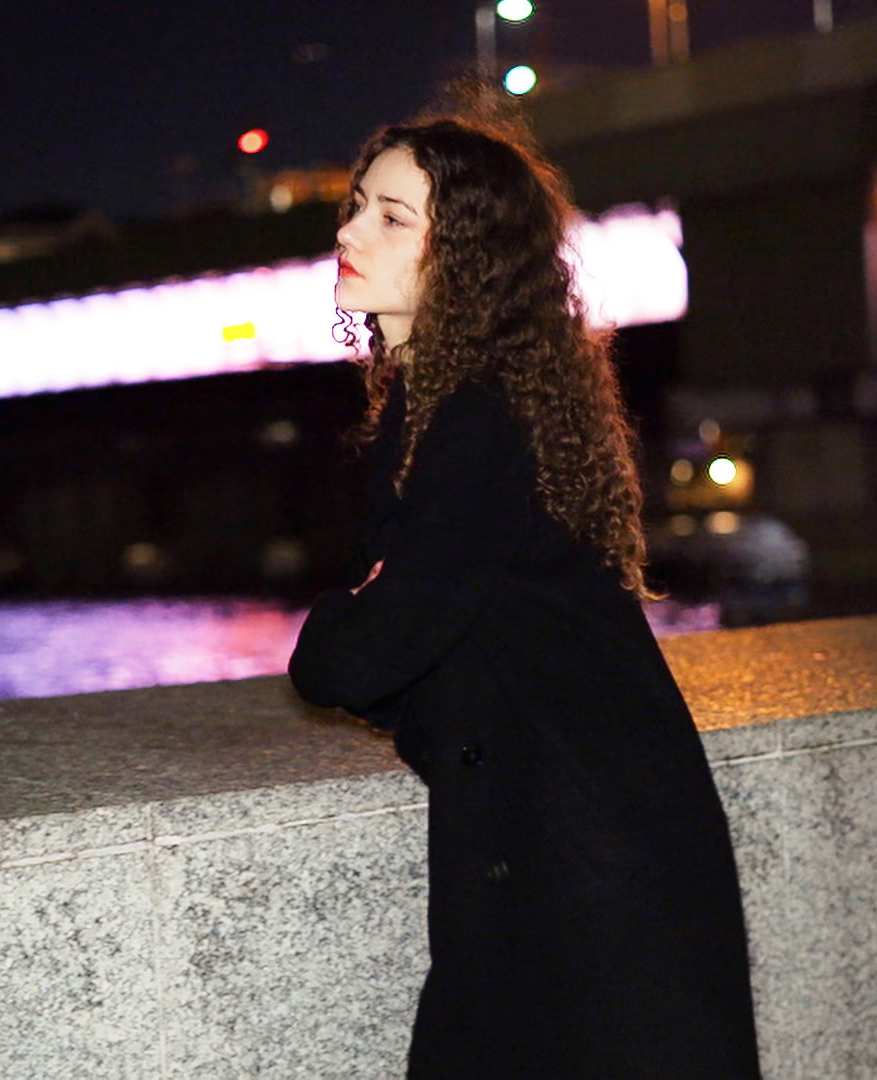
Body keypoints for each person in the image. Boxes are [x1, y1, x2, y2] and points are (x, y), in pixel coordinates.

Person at [287, 104, 761, 1078]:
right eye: (356, 206)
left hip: (589, 857)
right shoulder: (433, 408)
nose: (350, 231)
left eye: (392, 217)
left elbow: (360, 659)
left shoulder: (478, 419)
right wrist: (378, 622)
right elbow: (410, 650)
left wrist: (340, 620)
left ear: (467, 257)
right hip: (549, 839)